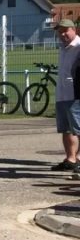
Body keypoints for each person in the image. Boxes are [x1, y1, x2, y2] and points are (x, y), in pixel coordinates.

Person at [51, 19, 80, 172]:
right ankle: (71, 158)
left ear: (73, 29)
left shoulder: (79, 46)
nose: (62, 34)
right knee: (65, 128)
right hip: (62, 93)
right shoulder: (63, 47)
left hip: (75, 93)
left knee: (78, 128)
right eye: (59, 32)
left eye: (65, 31)